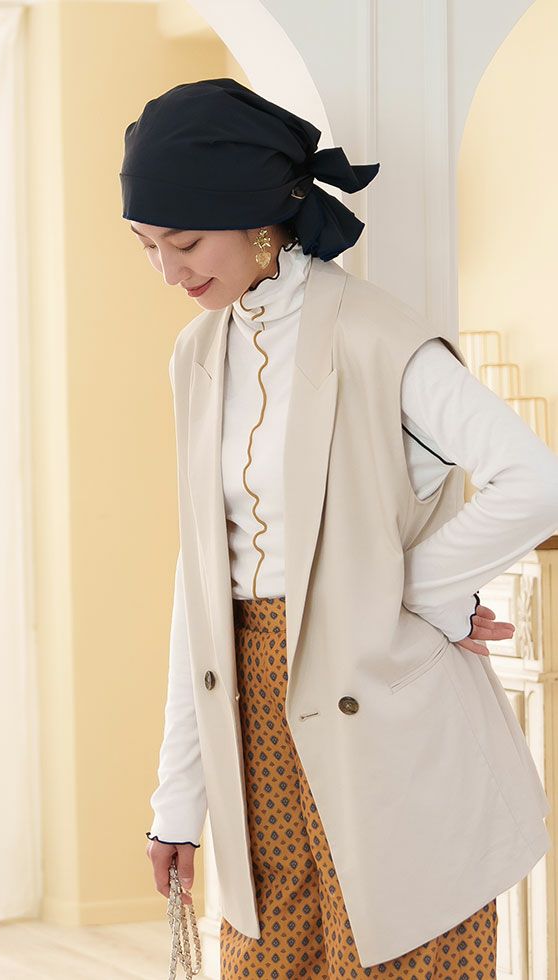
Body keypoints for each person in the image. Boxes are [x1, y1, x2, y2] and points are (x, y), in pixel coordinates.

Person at [119, 78, 558, 976]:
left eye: (186, 242)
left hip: (388, 719)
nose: (168, 272)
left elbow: (535, 483)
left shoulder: (375, 335)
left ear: (258, 217)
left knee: (402, 950)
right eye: (147, 246)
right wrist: (177, 801)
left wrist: (417, 593)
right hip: (251, 730)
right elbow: (200, 583)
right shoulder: (196, 355)